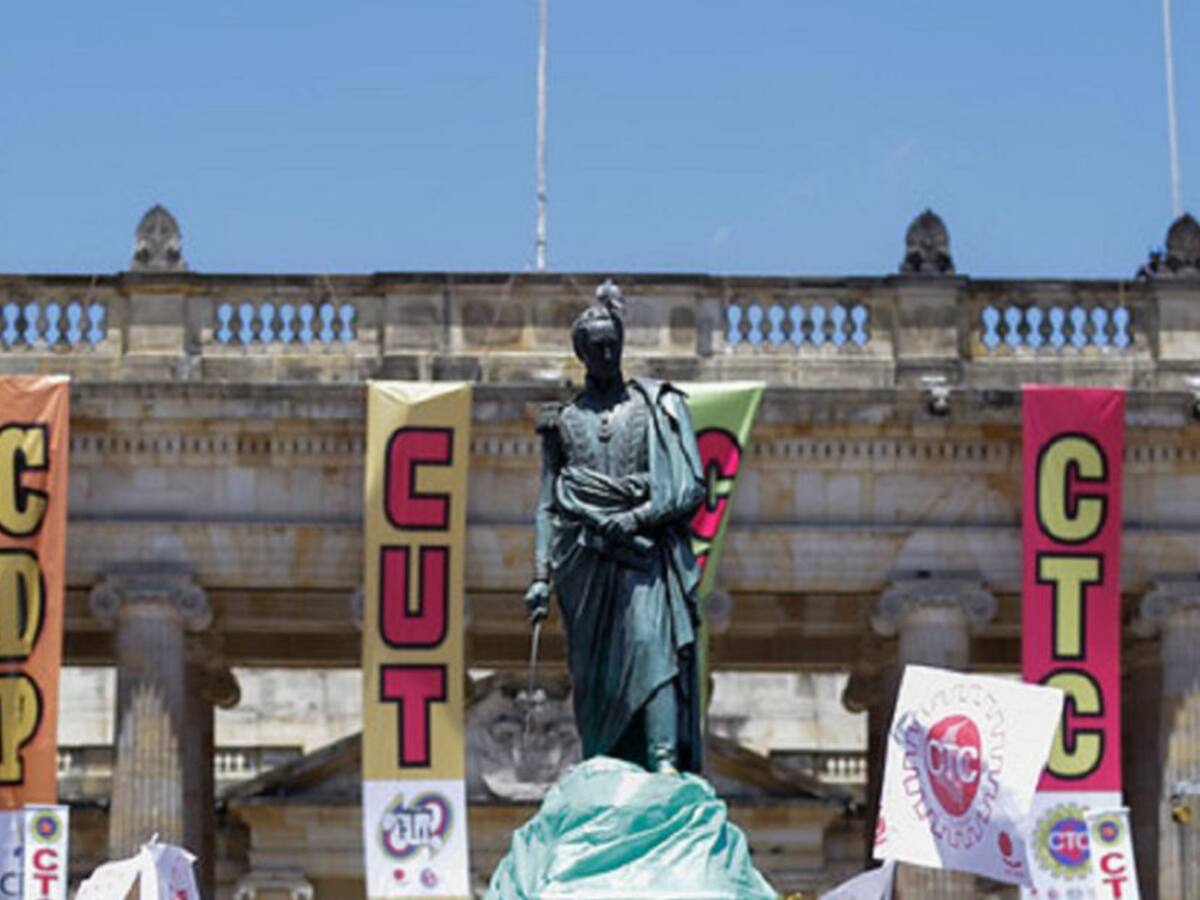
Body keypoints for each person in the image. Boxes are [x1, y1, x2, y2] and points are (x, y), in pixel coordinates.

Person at [523, 280, 706, 774]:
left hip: (645, 553)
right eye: (597, 347)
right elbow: (548, 503)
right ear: (580, 353)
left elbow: (690, 485)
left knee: (653, 643)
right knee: (595, 677)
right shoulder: (561, 423)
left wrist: (636, 518)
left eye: (613, 344)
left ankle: (664, 760)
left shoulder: (658, 406)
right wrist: (541, 575)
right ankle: (603, 765)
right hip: (585, 561)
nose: (608, 353)